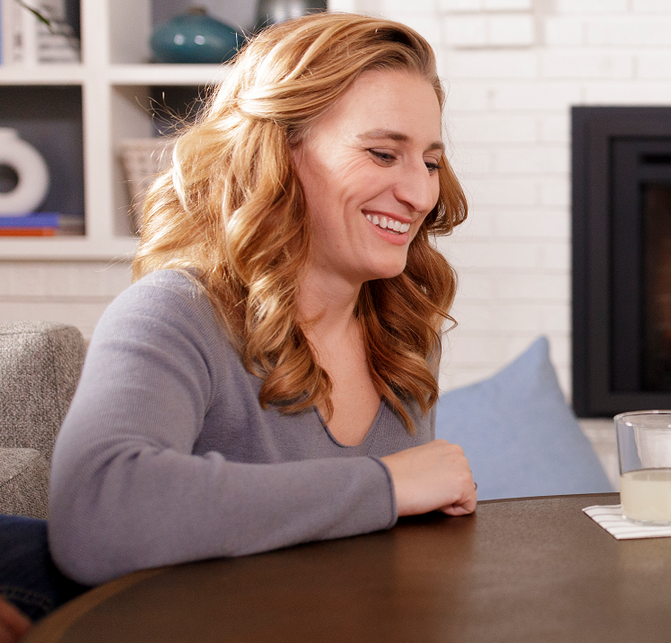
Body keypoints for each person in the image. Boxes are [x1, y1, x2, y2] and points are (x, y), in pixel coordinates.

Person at [49, 13, 477, 587]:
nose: (422, 193)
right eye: (382, 154)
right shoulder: (176, 314)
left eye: (430, 162)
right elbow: (100, 512)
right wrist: (386, 483)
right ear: (276, 153)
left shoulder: (400, 333)